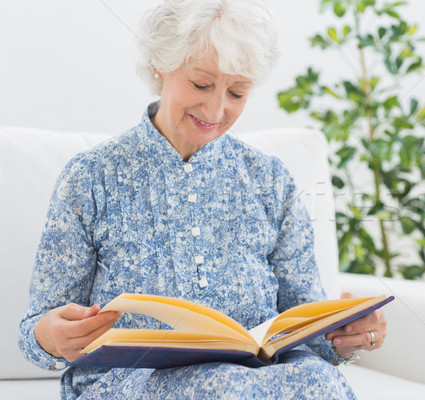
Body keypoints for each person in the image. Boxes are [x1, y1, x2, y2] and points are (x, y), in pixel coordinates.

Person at [18, 0, 387, 399]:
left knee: (321, 382)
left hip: (260, 375)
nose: (216, 109)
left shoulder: (270, 179)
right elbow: (38, 327)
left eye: (237, 92)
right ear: (160, 61)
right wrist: (51, 336)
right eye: (201, 84)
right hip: (132, 381)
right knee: (219, 388)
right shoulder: (90, 177)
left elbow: (307, 325)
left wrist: (344, 335)